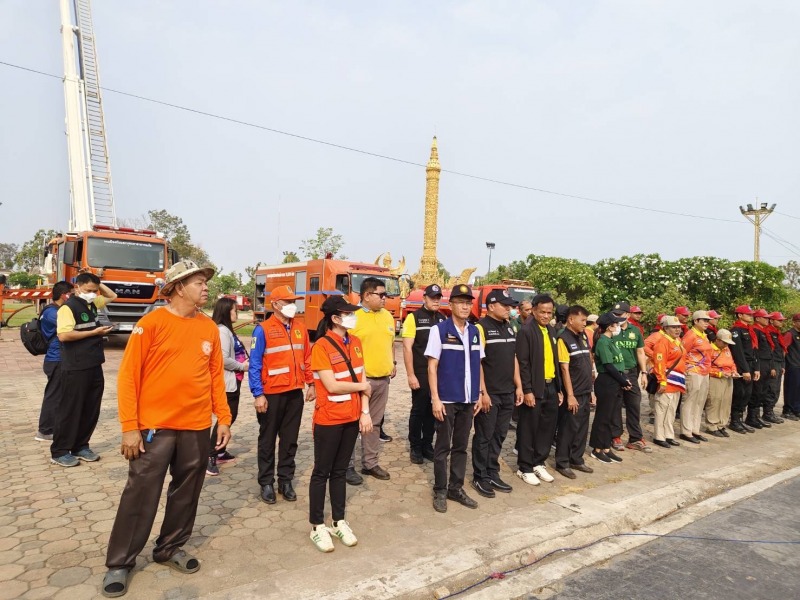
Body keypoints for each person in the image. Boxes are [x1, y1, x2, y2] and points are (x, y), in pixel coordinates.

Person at [102, 260, 232, 598]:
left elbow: (215, 376)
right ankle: (121, 562)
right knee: (140, 493)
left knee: (187, 492)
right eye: (198, 282)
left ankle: (169, 548)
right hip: (154, 427)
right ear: (177, 288)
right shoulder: (152, 323)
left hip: (197, 425)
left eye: (206, 282)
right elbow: (129, 377)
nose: (206, 288)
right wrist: (129, 427)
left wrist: (224, 418)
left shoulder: (207, 328)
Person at [307, 296, 372, 552]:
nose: (353, 317)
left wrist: (365, 411)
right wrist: (362, 387)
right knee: (322, 472)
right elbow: (332, 385)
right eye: (348, 313)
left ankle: (338, 520)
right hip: (329, 419)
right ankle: (316, 526)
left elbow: (362, 374)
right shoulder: (321, 346)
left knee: (340, 471)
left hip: (352, 418)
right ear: (335, 318)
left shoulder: (355, 342)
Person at [248, 285, 313, 503]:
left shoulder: (300, 328)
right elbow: (255, 364)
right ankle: (266, 482)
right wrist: (258, 394)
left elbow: (307, 359)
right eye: (288, 302)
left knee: (290, 440)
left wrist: (311, 383)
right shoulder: (263, 330)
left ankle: (285, 480)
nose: (293, 306)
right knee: (267, 440)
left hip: (295, 392)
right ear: (275, 305)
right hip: (271, 394)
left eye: (294, 301)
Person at [426, 284, 488, 513]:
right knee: (442, 447)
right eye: (460, 302)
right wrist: (435, 398)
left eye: (468, 302)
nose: (464, 306)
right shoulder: (439, 330)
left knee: (461, 446)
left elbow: (478, 364)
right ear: (450, 304)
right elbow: (432, 367)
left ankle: (456, 487)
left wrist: (480, 393)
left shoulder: (474, 332)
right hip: (447, 400)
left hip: (468, 400)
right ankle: (440, 489)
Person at [51, 271, 117, 467]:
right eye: (89, 290)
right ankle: (60, 451)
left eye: (95, 291)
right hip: (75, 366)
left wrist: (99, 284)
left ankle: (81, 446)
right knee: (71, 409)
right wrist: (93, 332)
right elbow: (63, 336)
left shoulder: (92, 303)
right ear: (77, 287)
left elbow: (112, 296)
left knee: (90, 409)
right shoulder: (67, 308)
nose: (93, 294)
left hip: (94, 364)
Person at [471, 290, 522, 497]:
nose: (509, 309)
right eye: (505, 305)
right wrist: (482, 392)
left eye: (510, 306)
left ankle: (492, 472)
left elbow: (514, 358)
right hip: (489, 394)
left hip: (508, 392)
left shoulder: (509, 327)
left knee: (499, 435)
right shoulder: (480, 328)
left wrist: (519, 385)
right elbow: (478, 362)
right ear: (491, 306)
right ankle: (479, 476)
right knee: (484, 436)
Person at [347, 276, 396, 484]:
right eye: (381, 294)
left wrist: (392, 362)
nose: (386, 298)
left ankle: (370, 462)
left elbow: (391, 341)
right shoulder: (352, 317)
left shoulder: (387, 317)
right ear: (367, 295)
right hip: (358, 382)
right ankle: (346, 465)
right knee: (351, 424)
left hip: (382, 380)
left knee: (374, 423)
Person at [515, 294, 562, 485]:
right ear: (534, 310)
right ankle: (524, 467)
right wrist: (527, 390)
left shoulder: (550, 330)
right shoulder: (526, 331)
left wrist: (559, 389)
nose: (545, 316)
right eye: (542, 312)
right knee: (529, 427)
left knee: (547, 427)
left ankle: (538, 462)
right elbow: (523, 363)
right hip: (534, 387)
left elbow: (554, 361)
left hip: (551, 385)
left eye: (549, 312)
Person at [401, 284, 446, 464]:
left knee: (432, 411)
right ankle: (415, 447)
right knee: (419, 411)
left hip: (438, 374)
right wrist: (411, 374)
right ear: (424, 298)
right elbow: (406, 347)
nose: (435, 301)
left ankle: (427, 444)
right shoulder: (414, 318)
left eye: (438, 298)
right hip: (420, 372)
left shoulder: (443, 319)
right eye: (432, 297)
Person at [206, 298, 248, 477]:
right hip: (228, 381)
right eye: (234, 310)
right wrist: (242, 366)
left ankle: (220, 451)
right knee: (226, 418)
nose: (236, 313)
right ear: (225, 311)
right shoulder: (222, 331)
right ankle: (210, 456)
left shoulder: (228, 330)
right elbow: (221, 359)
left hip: (235, 380)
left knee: (231, 415)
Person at [554, 305, 595, 478]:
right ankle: (562, 462)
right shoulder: (563, 339)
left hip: (585, 390)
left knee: (582, 428)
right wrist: (570, 395)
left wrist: (591, 390)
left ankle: (576, 459)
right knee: (568, 428)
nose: (585, 324)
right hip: (574, 393)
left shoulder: (583, 336)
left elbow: (588, 361)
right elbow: (564, 369)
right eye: (583, 320)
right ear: (571, 319)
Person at [589, 312, 631, 463]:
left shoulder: (611, 340)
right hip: (607, 381)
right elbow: (608, 365)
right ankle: (597, 448)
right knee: (603, 417)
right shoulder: (603, 342)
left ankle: (606, 447)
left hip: (615, 381)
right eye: (616, 324)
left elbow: (618, 364)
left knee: (611, 416)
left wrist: (623, 380)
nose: (619, 326)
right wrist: (623, 381)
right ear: (609, 326)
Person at [35, 280, 73, 442]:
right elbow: (71, 328)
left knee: (60, 394)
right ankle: (45, 430)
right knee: (53, 395)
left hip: (60, 357)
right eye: (72, 294)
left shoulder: (56, 310)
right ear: (65, 295)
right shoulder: (53, 312)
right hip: (56, 358)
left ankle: (55, 426)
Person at [610, 301, 650, 453]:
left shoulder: (635, 331)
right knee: (616, 405)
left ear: (627, 315)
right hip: (615, 372)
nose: (617, 317)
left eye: (620, 314)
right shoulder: (611, 329)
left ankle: (635, 438)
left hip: (632, 372)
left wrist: (644, 373)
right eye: (615, 314)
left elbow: (640, 352)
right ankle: (616, 436)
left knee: (634, 405)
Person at [650, 316, 687, 448]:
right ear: (665, 328)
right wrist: (662, 380)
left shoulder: (677, 341)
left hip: (677, 381)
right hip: (667, 380)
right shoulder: (663, 342)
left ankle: (669, 434)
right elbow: (660, 363)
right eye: (674, 327)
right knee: (662, 409)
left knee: (671, 410)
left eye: (679, 327)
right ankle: (659, 436)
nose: (677, 330)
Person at [679, 310, 714, 444]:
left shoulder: (704, 335)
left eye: (707, 320)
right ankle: (686, 431)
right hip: (693, 371)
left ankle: (695, 429)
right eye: (704, 320)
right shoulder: (690, 335)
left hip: (704, 372)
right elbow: (682, 353)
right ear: (696, 321)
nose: (707, 322)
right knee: (689, 401)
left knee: (700, 402)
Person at [705, 329, 738, 437]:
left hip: (728, 377)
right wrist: (718, 374)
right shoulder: (710, 349)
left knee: (726, 401)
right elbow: (705, 367)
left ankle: (721, 424)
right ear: (718, 340)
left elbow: (731, 362)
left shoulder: (726, 349)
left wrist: (734, 371)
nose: (726, 345)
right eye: (724, 342)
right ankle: (712, 425)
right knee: (715, 401)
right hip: (716, 378)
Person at [749, 308, 774, 429]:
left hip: (767, 363)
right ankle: (751, 417)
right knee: (757, 391)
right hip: (760, 363)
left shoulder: (764, 331)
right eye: (765, 317)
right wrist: (757, 366)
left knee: (763, 391)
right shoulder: (755, 330)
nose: (768, 320)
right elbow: (755, 350)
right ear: (757, 318)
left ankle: (757, 417)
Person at [765, 312, 787, 424]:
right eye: (779, 320)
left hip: (779, 363)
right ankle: (767, 413)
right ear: (772, 320)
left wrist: (783, 365)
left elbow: (781, 351)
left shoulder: (778, 333)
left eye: (782, 320)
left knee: (777, 389)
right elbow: (770, 352)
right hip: (772, 364)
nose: (781, 322)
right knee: (771, 389)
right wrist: (772, 366)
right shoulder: (768, 332)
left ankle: (771, 411)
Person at [782, 314, 800, 420]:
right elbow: (783, 349)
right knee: (791, 389)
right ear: (794, 322)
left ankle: (796, 410)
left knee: (798, 389)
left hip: (799, 365)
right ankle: (788, 410)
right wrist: (783, 365)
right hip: (792, 365)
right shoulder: (790, 334)